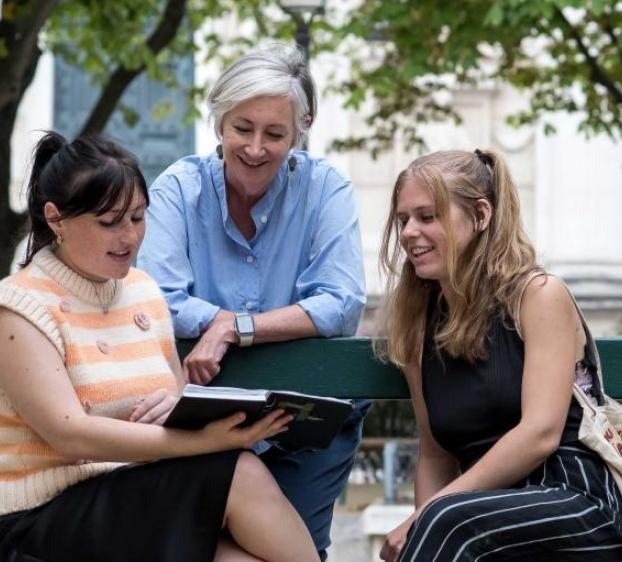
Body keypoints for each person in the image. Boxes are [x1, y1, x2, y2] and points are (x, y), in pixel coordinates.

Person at [0, 131, 320, 562]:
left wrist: (176, 406)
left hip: (136, 494)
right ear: (56, 219)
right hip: (42, 518)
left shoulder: (143, 291)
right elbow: (71, 436)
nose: (129, 237)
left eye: (137, 217)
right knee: (239, 472)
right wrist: (209, 442)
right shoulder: (19, 306)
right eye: (110, 222)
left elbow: (175, 390)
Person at [137, 43, 368, 559]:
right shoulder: (179, 186)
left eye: (276, 134)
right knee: (211, 548)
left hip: (304, 415)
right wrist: (227, 320)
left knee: (297, 549)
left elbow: (341, 303)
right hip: (206, 415)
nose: (257, 148)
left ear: (300, 130)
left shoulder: (326, 186)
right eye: (243, 128)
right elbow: (158, 298)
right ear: (219, 121)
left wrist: (235, 329)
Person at [377, 149, 622, 561]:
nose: (408, 232)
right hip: (482, 509)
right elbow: (435, 453)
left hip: (575, 496)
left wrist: (428, 514)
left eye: (428, 216)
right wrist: (425, 516)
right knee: (440, 525)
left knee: (445, 522)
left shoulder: (538, 295)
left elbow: (540, 433)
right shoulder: (419, 324)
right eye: (403, 220)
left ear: (481, 215)